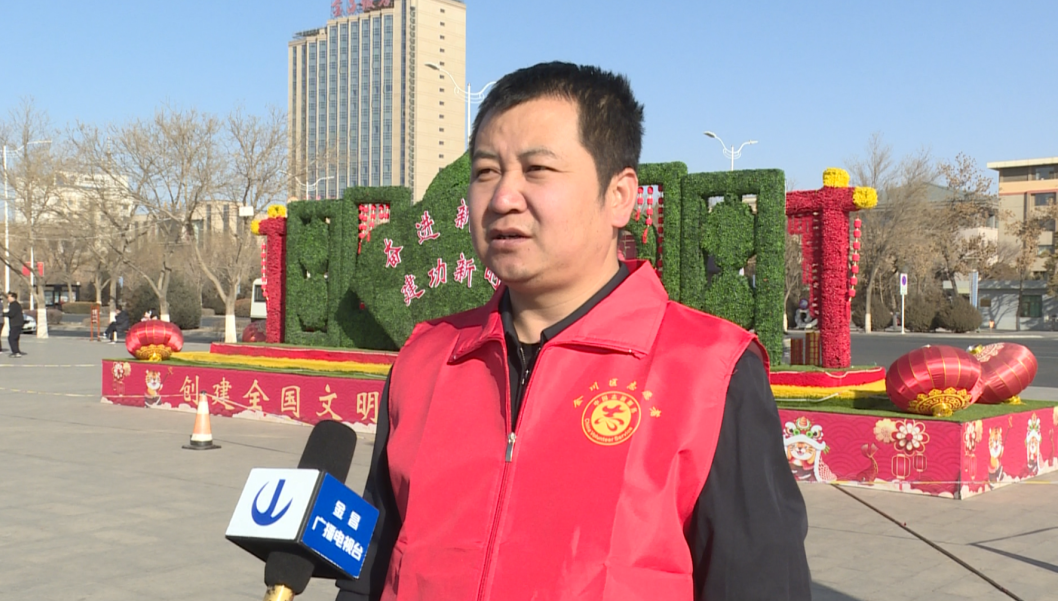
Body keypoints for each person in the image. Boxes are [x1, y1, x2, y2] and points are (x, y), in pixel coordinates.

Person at [334, 62, 810, 601]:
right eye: (486, 171)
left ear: (619, 196)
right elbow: (372, 569)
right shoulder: (425, 359)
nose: (503, 197)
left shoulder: (709, 370)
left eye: (537, 169)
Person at [5, 292, 24, 358]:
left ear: (13, 297)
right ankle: (17, 351)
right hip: (18, 323)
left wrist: (3, 314)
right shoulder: (16, 304)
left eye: (9, 297)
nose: (8, 298)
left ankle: (16, 352)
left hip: (16, 324)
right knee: (15, 338)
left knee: (11, 338)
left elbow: (11, 314)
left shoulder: (13, 304)